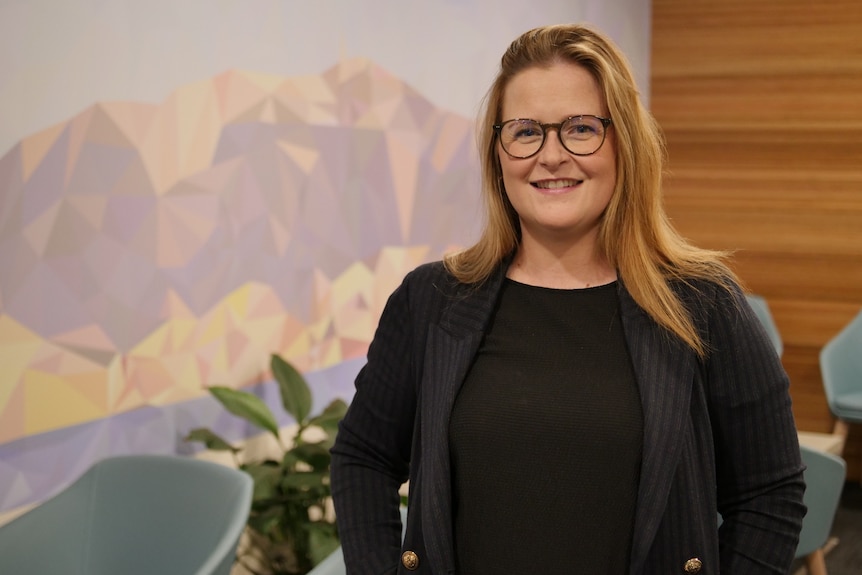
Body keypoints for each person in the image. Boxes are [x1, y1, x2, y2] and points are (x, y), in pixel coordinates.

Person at [330, 23, 806, 575]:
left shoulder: (702, 301)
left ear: (624, 142)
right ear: (499, 151)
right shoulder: (431, 300)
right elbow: (363, 457)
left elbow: (769, 494)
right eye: (526, 131)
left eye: (581, 128)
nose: (551, 155)